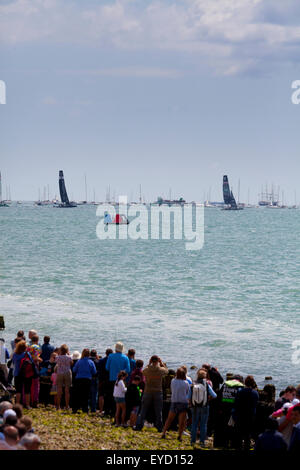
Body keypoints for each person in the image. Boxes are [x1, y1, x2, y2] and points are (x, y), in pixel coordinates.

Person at [135, 355, 168, 432]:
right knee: (158, 411)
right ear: (157, 361)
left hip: (148, 391)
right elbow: (166, 371)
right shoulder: (160, 369)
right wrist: (161, 363)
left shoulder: (148, 369)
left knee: (143, 410)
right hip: (158, 391)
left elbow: (143, 371)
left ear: (151, 361)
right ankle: (159, 428)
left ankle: (139, 426)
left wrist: (149, 364)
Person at [161, 367, 190, 441]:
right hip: (183, 402)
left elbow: (171, 389)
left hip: (174, 401)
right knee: (181, 421)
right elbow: (187, 392)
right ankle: (179, 436)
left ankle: (163, 433)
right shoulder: (186, 383)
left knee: (169, 419)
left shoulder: (173, 381)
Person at [190, 368, 217, 447]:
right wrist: (208, 398)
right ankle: (202, 442)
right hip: (204, 406)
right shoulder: (206, 385)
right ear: (205, 376)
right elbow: (215, 395)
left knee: (194, 424)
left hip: (194, 406)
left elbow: (188, 396)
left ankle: (192, 441)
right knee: (203, 424)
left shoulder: (193, 384)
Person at [232, 375, 259, 450]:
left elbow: (236, 404)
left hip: (240, 415)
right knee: (247, 435)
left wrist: (234, 415)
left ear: (245, 382)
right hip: (250, 416)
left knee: (239, 435)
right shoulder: (255, 393)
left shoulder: (240, 392)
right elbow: (255, 405)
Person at [106, 342, 130, 416]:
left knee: (111, 395)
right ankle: (119, 414)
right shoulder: (125, 357)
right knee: (121, 396)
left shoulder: (110, 356)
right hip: (122, 380)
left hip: (112, 378)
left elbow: (107, 368)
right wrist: (121, 372)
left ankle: (111, 412)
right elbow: (128, 369)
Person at [72, 348, 97, 413]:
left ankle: (75, 408)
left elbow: (74, 370)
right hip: (87, 379)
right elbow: (94, 372)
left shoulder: (79, 361)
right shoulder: (91, 362)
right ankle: (85, 409)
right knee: (86, 395)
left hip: (79, 379)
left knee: (77, 394)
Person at [12, 340, 34, 409]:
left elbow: (13, 362)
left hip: (17, 374)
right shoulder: (26, 354)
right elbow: (31, 362)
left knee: (18, 390)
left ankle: (17, 405)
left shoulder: (15, 354)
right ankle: (27, 405)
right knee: (27, 390)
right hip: (26, 374)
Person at [56, 344, 73, 410]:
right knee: (67, 390)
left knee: (59, 390)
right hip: (67, 372)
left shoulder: (58, 357)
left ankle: (58, 406)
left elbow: (56, 362)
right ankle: (67, 406)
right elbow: (71, 363)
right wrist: (68, 355)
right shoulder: (69, 357)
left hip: (60, 373)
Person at [27, 335, 42, 407]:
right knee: (36, 386)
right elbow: (37, 357)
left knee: (29, 385)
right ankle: (35, 401)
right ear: (37, 340)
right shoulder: (36, 347)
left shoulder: (29, 348)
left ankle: (28, 400)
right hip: (35, 368)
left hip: (29, 368)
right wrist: (39, 359)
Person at [97, 348, 113, 415]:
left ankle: (100, 410)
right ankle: (108, 410)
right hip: (110, 379)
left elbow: (98, 369)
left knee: (101, 395)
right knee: (109, 395)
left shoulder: (101, 360)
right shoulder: (112, 361)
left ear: (105, 353)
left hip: (102, 379)